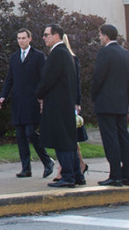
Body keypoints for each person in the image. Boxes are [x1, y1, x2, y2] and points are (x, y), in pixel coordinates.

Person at [0, 29, 54, 179]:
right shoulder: (14, 57)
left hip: (32, 101)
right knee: (20, 136)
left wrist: (42, 97)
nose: (21, 41)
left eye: (23, 38)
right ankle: (26, 168)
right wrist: (3, 95)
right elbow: (9, 78)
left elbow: (44, 78)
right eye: (18, 38)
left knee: (31, 132)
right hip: (18, 102)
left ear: (30, 39)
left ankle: (47, 161)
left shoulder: (38, 56)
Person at [35, 23, 80, 188]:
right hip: (64, 103)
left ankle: (68, 176)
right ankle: (77, 174)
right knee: (67, 140)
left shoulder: (58, 53)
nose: (44, 38)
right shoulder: (66, 53)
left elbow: (48, 79)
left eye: (46, 34)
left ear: (56, 36)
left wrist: (38, 94)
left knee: (62, 141)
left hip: (57, 104)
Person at [91, 23, 129, 186]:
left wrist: (93, 95)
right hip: (121, 102)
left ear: (106, 36)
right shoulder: (125, 53)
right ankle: (128, 175)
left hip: (106, 102)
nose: (100, 38)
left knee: (110, 139)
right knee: (124, 137)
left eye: (100, 35)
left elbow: (98, 77)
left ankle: (115, 174)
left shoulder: (105, 52)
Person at [52, 34, 87, 185]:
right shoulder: (65, 58)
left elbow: (76, 82)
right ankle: (75, 169)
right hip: (67, 103)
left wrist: (77, 102)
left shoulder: (70, 58)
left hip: (69, 104)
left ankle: (70, 169)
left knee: (68, 139)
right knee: (70, 139)